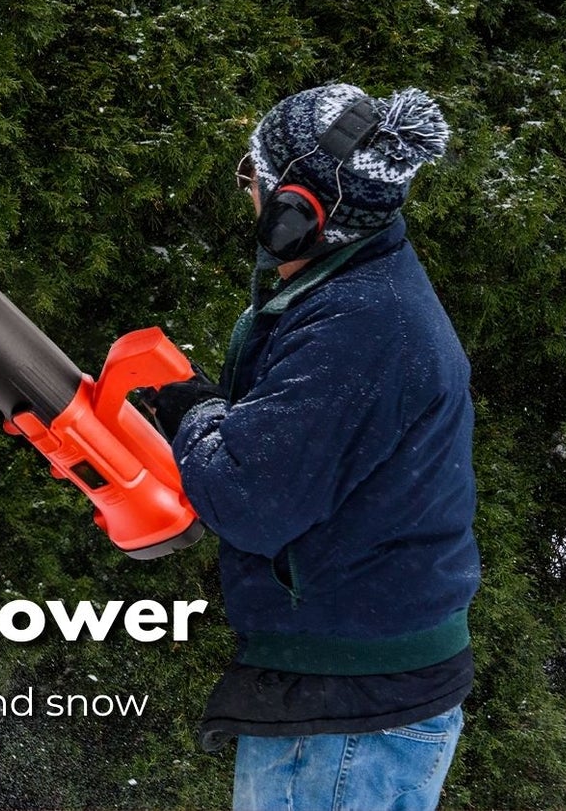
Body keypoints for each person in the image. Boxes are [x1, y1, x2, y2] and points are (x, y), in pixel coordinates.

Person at [144, 83, 481, 811]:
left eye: (253, 180)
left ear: (296, 212)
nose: (250, 198)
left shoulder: (358, 322)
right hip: (358, 691)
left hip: (349, 711)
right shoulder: (361, 292)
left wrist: (196, 412)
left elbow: (250, 499)